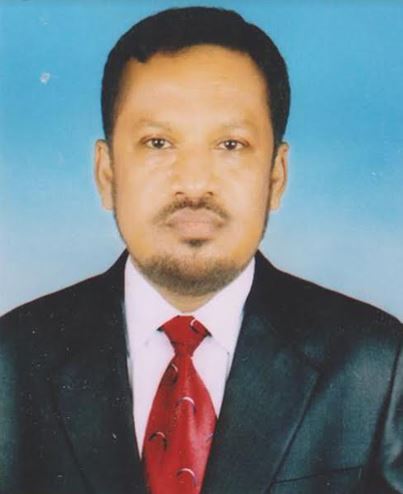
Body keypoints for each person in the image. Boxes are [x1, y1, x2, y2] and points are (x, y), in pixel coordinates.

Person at [0, 6, 402, 494]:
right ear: (107, 173)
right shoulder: (11, 361)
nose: (193, 184)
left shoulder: (376, 366)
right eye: (157, 142)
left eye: (230, 145)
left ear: (276, 176)